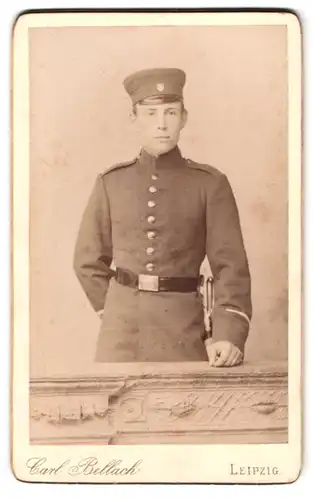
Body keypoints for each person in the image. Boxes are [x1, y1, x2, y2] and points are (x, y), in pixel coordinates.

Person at [73, 67, 252, 366]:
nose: (161, 124)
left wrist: (228, 334)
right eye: (150, 114)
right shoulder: (111, 182)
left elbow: (230, 266)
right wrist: (117, 310)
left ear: (183, 118)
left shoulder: (209, 183)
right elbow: (87, 260)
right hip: (120, 337)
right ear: (134, 118)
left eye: (170, 113)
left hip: (182, 329)